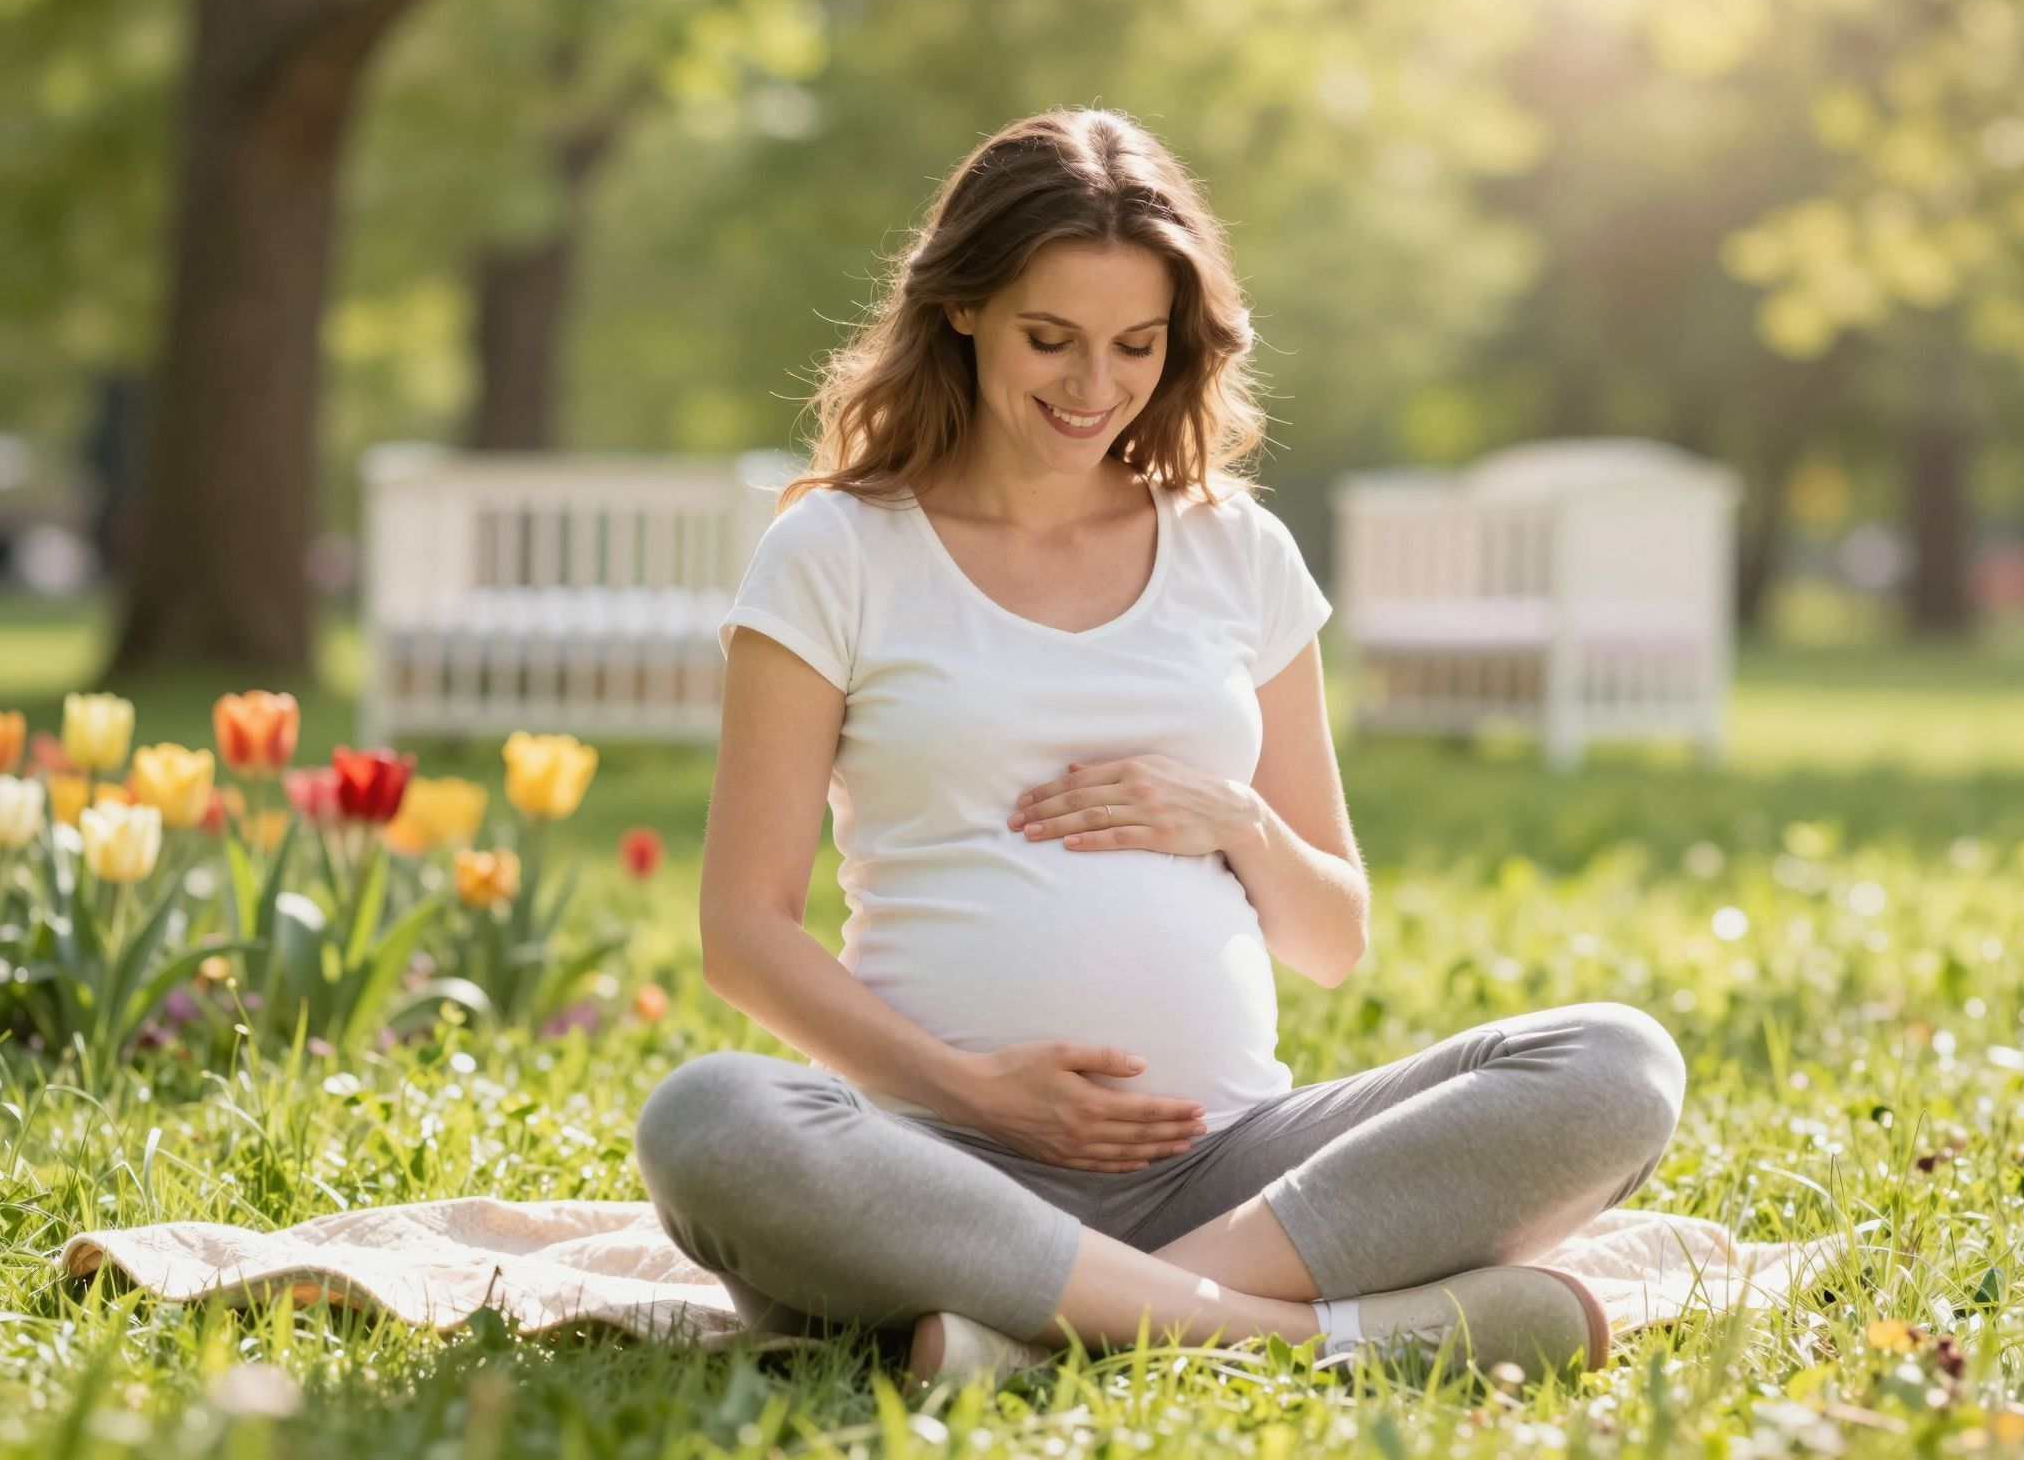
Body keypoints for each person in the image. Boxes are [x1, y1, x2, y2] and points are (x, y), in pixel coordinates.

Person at [635, 107, 1685, 1385]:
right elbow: (743, 933)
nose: (1093, 388)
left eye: (1135, 345)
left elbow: (1332, 938)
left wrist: (1237, 824)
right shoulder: (837, 553)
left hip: (1236, 1172)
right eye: (1049, 339)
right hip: (934, 1170)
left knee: (1615, 1063)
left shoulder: (1234, 552)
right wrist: (978, 1095)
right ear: (960, 307)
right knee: (711, 1119)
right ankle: (1290, 1343)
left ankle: (1038, 1332)